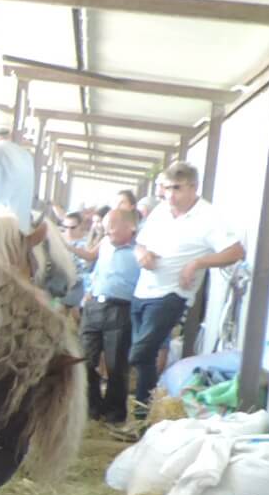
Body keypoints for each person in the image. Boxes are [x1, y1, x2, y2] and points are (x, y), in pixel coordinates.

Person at [130, 161, 245, 410]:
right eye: (167, 188)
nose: (170, 195)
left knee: (141, 353)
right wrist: (142, 255)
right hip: (143, 291)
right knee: (144, 357)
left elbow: (236, 251)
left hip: (172, 294)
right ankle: (141, 412)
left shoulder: (209, 217)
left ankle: (144, 407)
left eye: (177, 188)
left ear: (193, 187)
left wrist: (198, 263)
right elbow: (140, 243)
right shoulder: (161, 211)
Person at [81, 208, 139, 423]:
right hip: (95, 305)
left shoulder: (139, 251)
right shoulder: (105, 244)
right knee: (84, 359)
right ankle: (92, 407)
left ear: (130, 227)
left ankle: (114, 412)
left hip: (121, 308)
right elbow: (96, 270)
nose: (107, 231)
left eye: (112, 227)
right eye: (106, 227)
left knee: (116, 366)